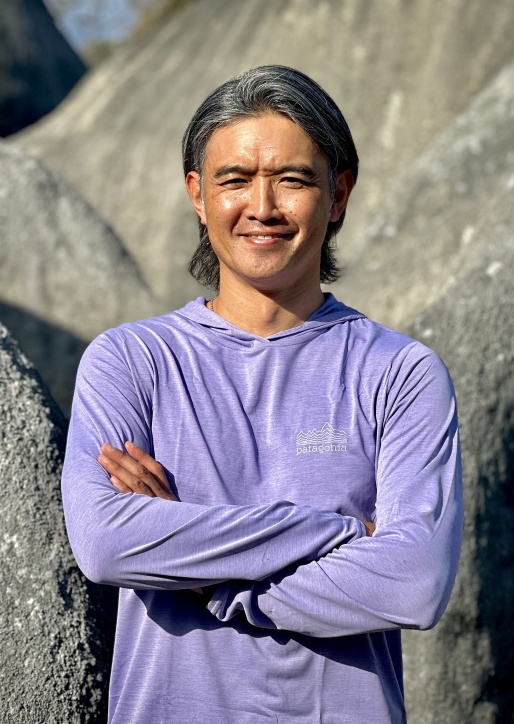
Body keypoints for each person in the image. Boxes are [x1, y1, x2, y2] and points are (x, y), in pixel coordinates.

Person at [62, 65, 463, 724]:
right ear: (197, 194)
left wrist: (198, 569)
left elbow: (413, 584)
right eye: (235, 180)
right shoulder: (131, 361)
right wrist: (338, 534)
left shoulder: (401, 373)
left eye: (294, 179)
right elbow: (105, 544)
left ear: (338, 194)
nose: (263, 207)